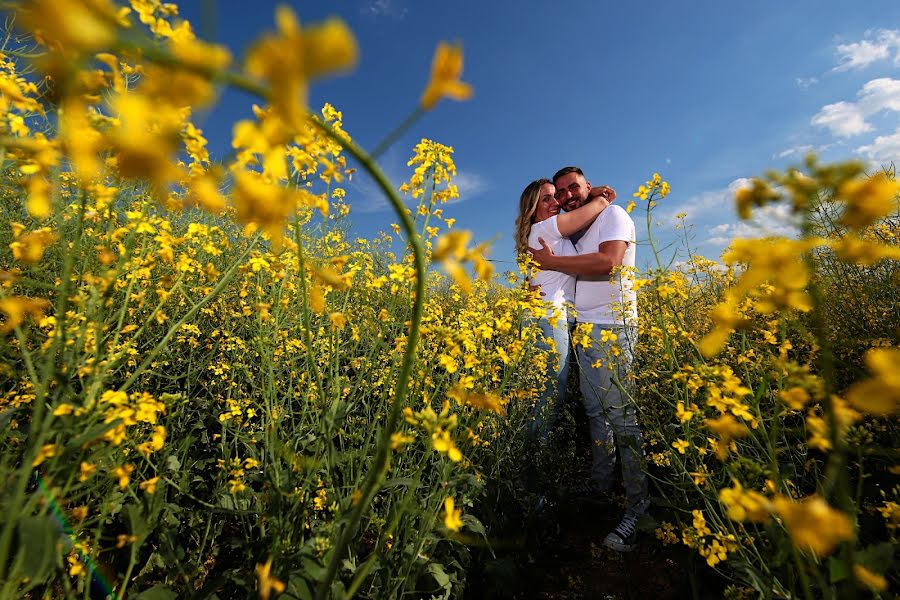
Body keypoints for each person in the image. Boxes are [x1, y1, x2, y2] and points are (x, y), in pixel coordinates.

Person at [529, 166, 649, 553]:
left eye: (571, 188)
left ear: (588, 184)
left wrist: (552, 264)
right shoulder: (578, 224)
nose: (565, 196)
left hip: (615, 328)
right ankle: (601, 485)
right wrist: (591, 195)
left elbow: (608, 262)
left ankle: (638, 509)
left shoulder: (614, 215)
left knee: (622, 419)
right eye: (559, 192)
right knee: (597, 414)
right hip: (585, 329)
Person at [514, 178, 612, 448]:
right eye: (546, 199)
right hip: (547, 320)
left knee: (547, 397)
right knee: (548, 399)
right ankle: (532, 476)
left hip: (553, 319)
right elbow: (590, 210)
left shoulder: (551, 232)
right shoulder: (546, 227)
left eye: (555, 197)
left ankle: (534, 465)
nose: (555, 203)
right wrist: (600, 198)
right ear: (532, 209)